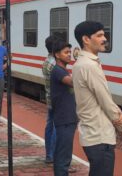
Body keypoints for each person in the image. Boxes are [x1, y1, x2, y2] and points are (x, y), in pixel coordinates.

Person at [72, 21, 122, 176]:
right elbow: (105, 100)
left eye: (103, 34)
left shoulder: (83, 63)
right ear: (86, 39)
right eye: (99, 35)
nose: (104, 38)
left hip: (92, 134)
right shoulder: (89, 66)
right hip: (100, 136)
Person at [50, 39, 77, 176]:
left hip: (68, 117)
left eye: (70, 52)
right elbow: (74, 83)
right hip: (64, 118)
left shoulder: (63, 70)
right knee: (63, 155)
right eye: (66, 52)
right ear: (57, 55)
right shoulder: (58, 71)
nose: (69, 55)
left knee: (64, 153)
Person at [42, 35, 58, 164]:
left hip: (49, 98)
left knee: (50, 126)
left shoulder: (47, 61)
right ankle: (53, 155)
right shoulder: (54, 65)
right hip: (57, 100)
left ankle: (49, 154)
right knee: (56, 128)